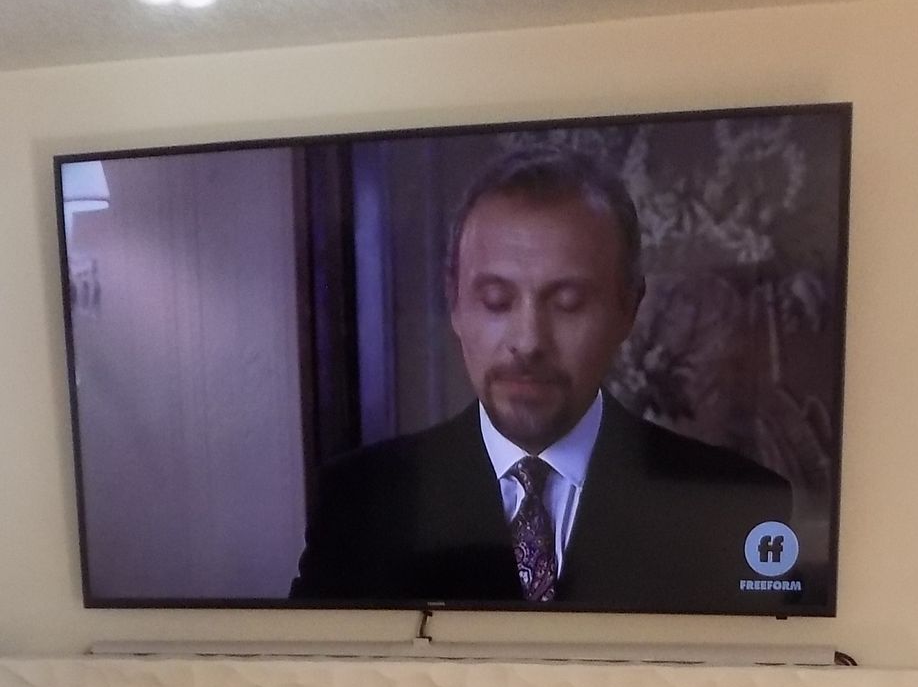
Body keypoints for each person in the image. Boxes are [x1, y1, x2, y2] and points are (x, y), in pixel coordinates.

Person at [291, 148, 801, 610]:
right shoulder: (358, 501)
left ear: (628, 307)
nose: (529, 340)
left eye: (568, 303)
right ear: (455, 303)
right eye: (496, 301)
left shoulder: (736, 505)